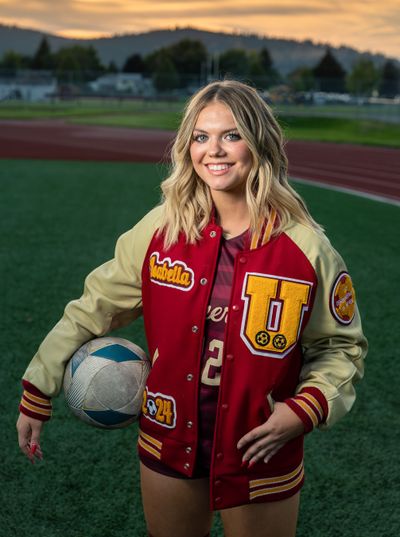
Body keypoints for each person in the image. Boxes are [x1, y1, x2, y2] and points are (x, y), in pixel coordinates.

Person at [17, 80, 367, 537]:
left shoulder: (307, 249)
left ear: (258, 141)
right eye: (201, 136)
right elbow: (93, 307)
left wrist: (302, 410)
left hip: (259, 452)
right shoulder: (161, 229)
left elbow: (342, 348)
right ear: (187, 147)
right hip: (169, 437)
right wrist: (38, 388)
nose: (214, 150)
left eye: (231, 135)